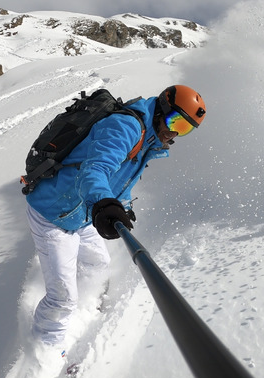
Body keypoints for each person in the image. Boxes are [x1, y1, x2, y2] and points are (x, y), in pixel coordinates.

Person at [24, 85, 207, 350]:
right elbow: (95, 169)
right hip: (53, 214)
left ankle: (86, 309)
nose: (175, 132)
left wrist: (121, 203)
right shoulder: (126, 127)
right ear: (162, 110)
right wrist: (104, 203)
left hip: (82, 213)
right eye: (175, 121)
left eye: (185, 129)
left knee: (99, 264)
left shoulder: (149, 136)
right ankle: (45, 350)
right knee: (62, 299)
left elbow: (121, 177)